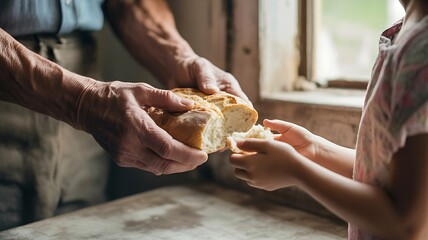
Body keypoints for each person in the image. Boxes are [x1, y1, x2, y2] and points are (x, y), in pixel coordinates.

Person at [0, 0, 249, 230]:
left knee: (79, 226)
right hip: (9, 76)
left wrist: (178, 57)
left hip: (82, 80)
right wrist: (83, 100)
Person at [230, 0, 428, 239]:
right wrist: (315, 149)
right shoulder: (404, 31)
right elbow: (384, 173)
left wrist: (295, 170)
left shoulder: (422, 50)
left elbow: (405, 224)